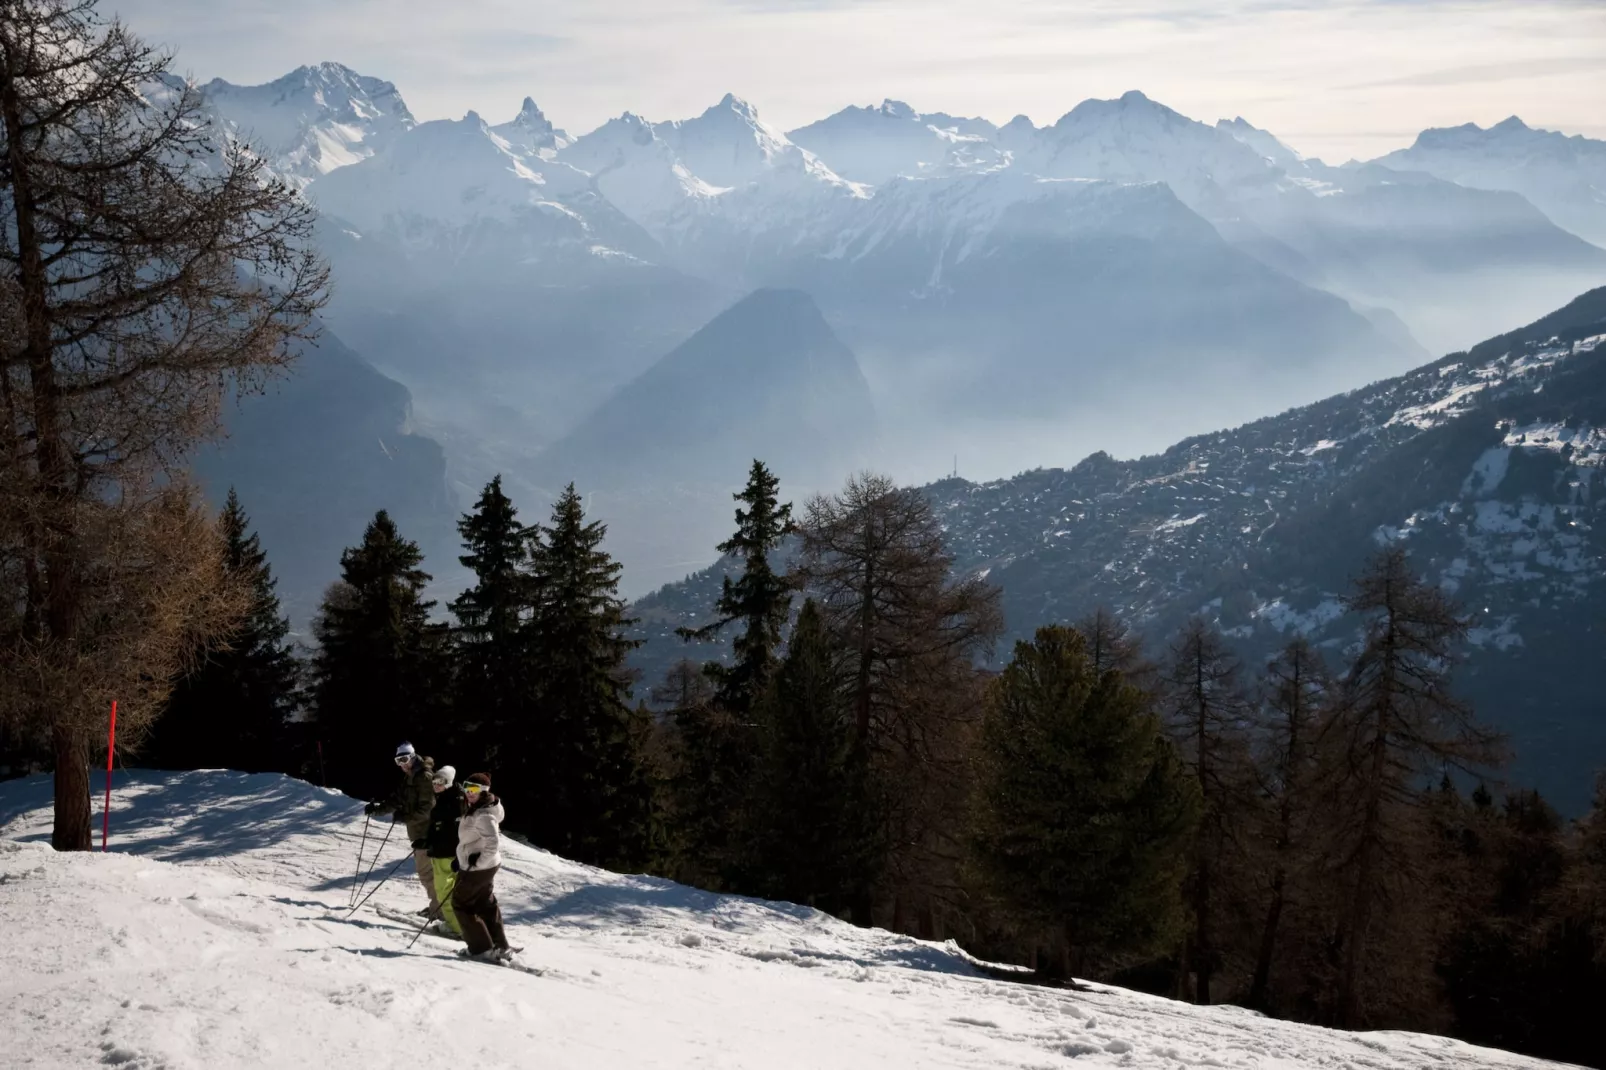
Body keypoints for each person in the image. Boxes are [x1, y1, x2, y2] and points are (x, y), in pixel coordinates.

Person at [364, 742, 437, 916]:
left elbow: (428, 808)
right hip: (418, 832)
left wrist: (406, 818)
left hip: (428, 833)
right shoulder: (410, 776)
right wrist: (378, 810)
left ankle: (440, 909)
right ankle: (438, 906)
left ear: (412, 756)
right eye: (398, 761)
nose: (402, 764)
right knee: (429, 873)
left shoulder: (424, 777)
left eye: (404, 759)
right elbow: (397, 798)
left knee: (427, 873)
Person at [452, 773, 511, 961]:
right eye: (467, 788)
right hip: (485, 866)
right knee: (484, 903)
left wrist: (477, 862)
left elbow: (493, 843)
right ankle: (500, 946)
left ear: (484, 791)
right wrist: (461, 857)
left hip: (478, 869)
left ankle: (481, 948)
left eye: (474, 789)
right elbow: (476, 840)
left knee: (461, 904)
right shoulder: (480, 807)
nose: (469, 793)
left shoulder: (483, 814)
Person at [424, 764, 464, 938]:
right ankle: (459, 924)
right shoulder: (447, 797)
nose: (436, 784)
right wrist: (427, 840)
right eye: (434, 780)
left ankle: (457, 927)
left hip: (447, 853)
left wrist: (458, 854)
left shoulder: (455, 802)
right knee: (450, 891)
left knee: (443, 891)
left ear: (449, 782)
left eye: (441, 781)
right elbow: (439, 826)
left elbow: (456, 830)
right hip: (443, 850)